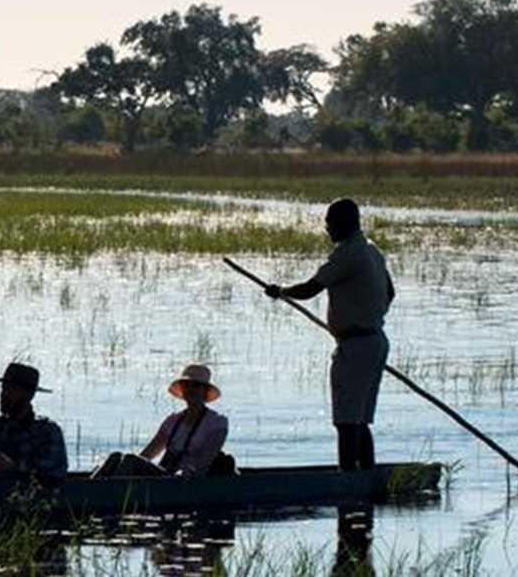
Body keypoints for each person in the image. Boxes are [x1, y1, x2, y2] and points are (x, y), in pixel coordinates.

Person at [263, 198, 395, 471]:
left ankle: (348, 481)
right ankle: (365, 478)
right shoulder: (372, 251)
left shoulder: (348, 254)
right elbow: (390, 293)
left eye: (330, 223)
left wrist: (282, 291)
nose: (327, 229)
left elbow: (311, 288)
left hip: (357, 345)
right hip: (374, 341)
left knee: (347, 421)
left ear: (345, 223)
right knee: (359, 420)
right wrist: (368, 315)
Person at [92, 364, 231, 478]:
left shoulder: (217, 423)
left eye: (196, 386)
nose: (191, 390)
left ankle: (110, 494)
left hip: (183, 480)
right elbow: (147, 455)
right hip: (164, 474)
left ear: (205, 391)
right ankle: (91, 488)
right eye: (187, 385)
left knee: (129, 460)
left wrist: (188, 473)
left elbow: (204, 462)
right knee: (116, 457)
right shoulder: (172, 421)